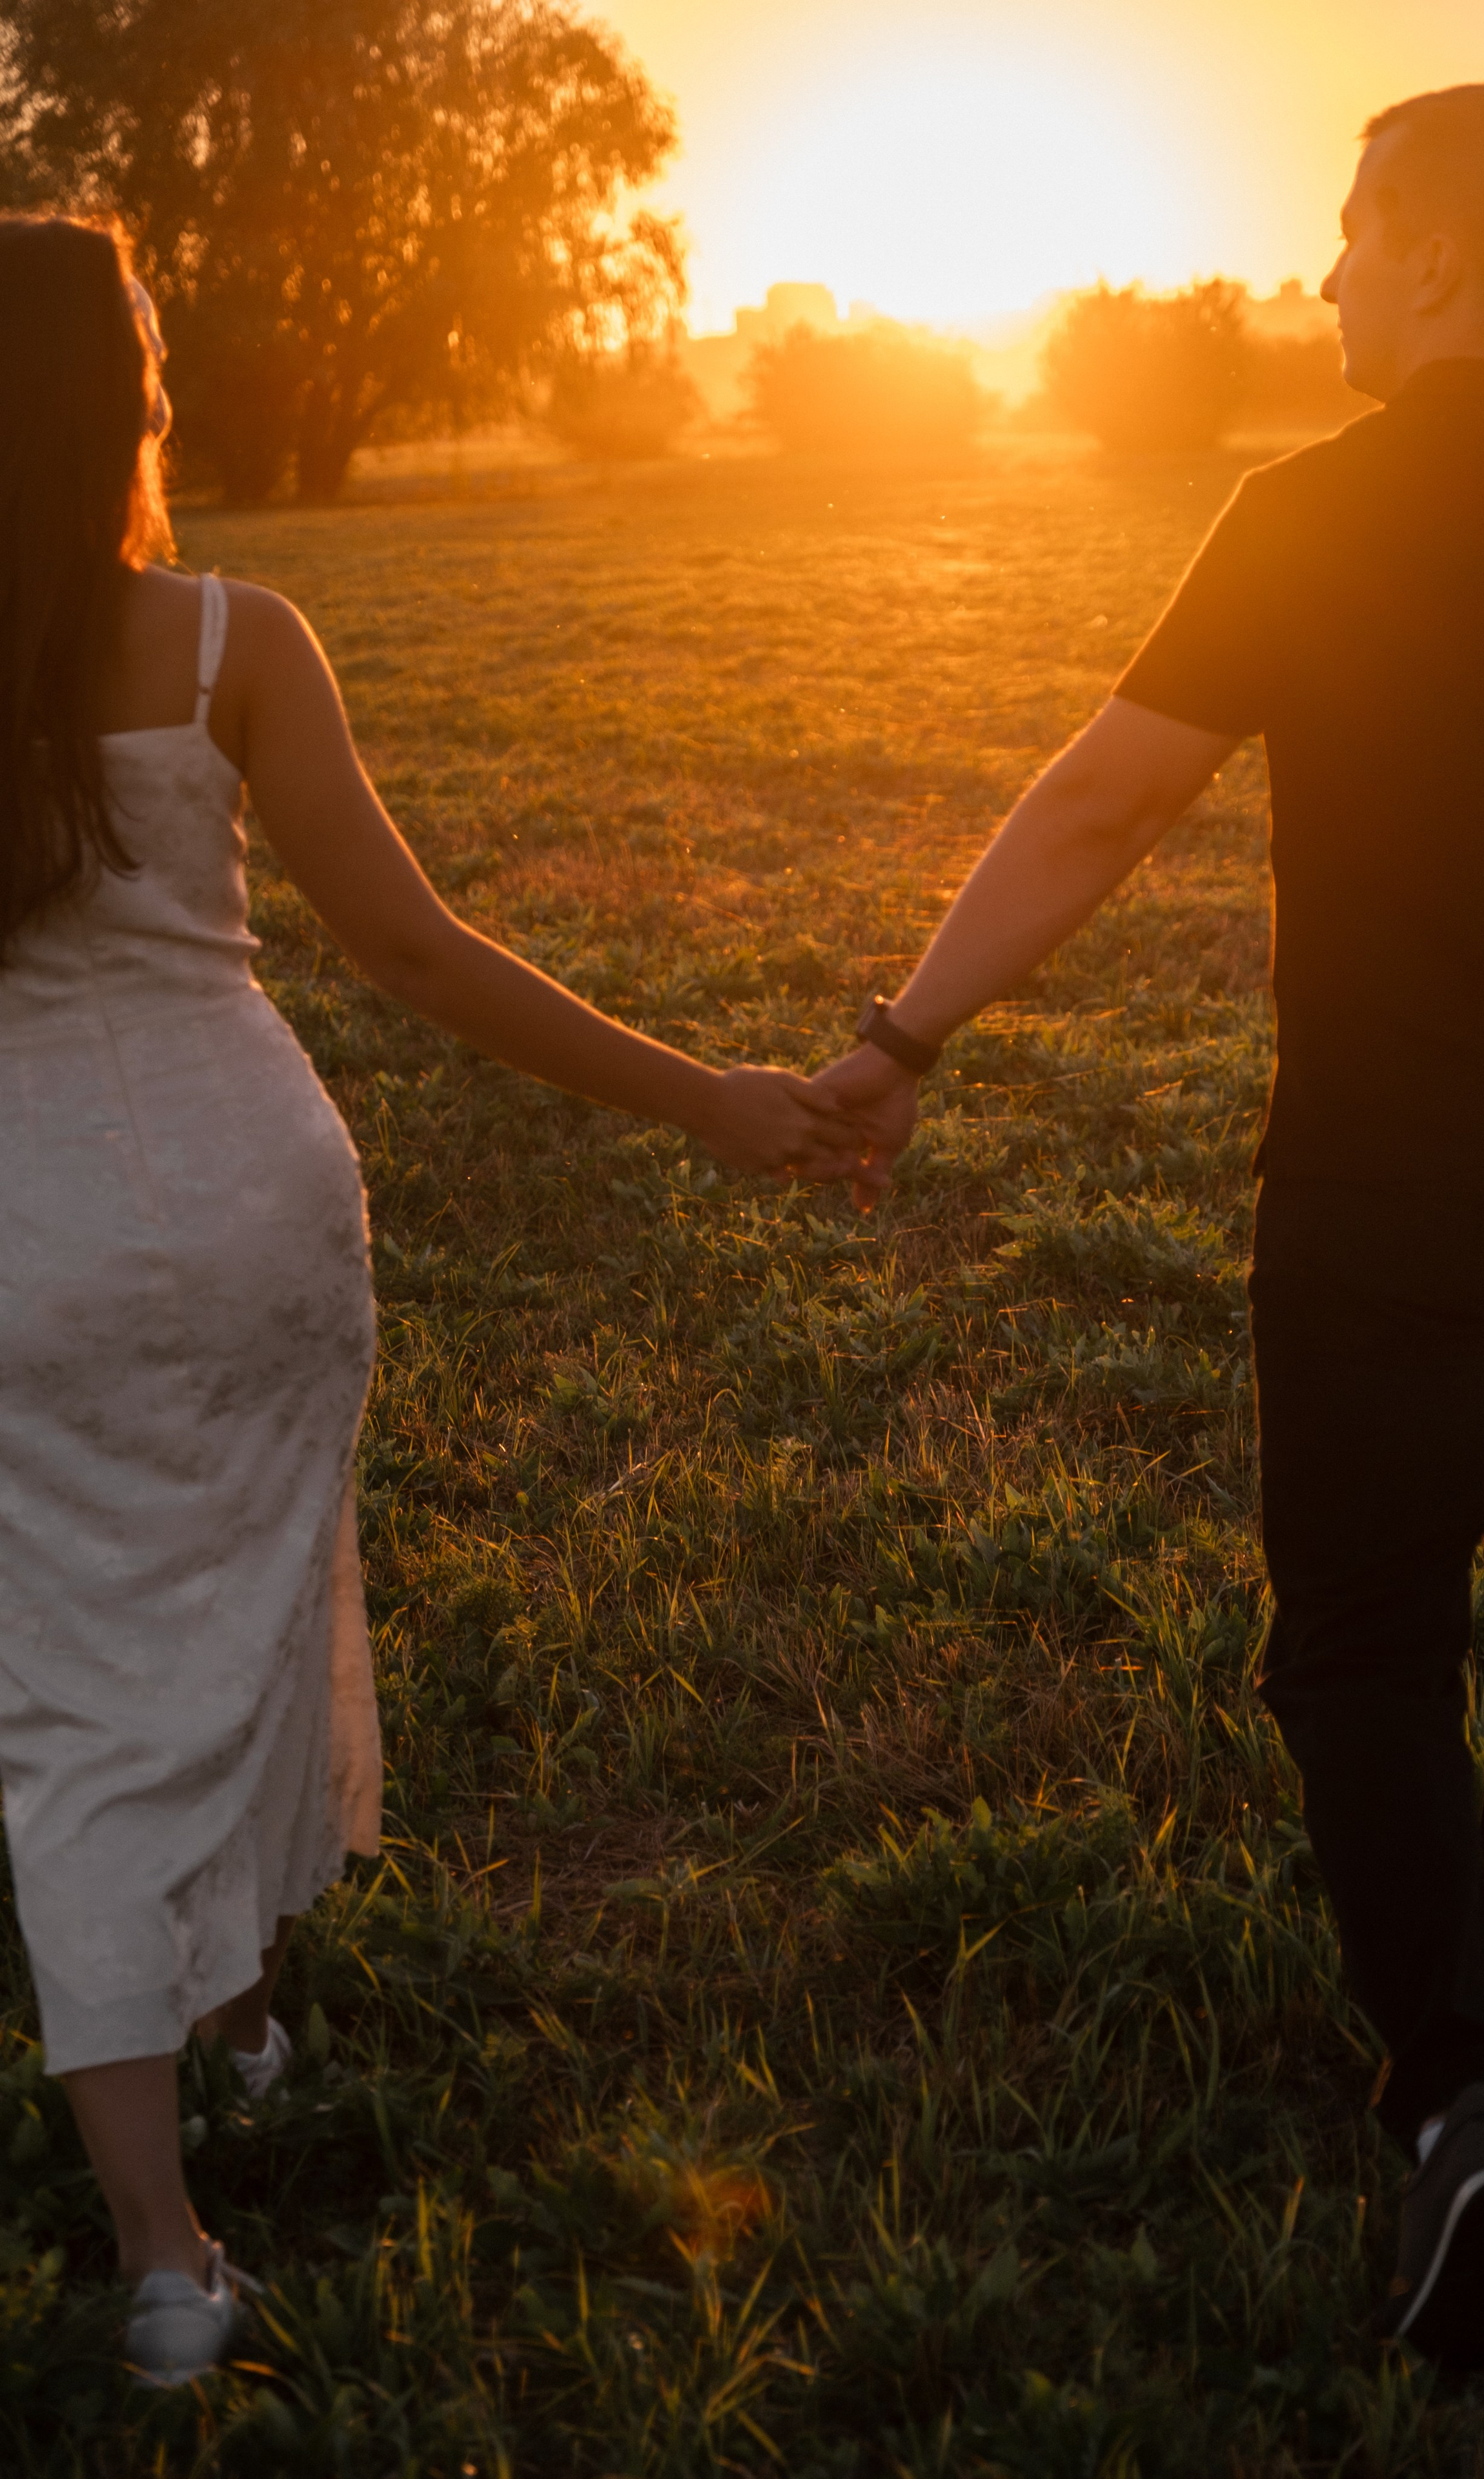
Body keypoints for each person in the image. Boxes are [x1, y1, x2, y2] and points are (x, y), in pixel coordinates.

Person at [814, 83, 1484, 2367]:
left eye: (1354, 232)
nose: (1325, 272)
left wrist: (901, 1037)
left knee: (1364, 1638)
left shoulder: (1313, 510)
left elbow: (1109, 801)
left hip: (1390, 1169)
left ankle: (1465, 2095)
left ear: (1451, 260)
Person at [0, 212, 860, 2387]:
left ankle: (165, 2259)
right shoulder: (232, 638)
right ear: (136, 403)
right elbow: (412, 952)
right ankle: (232, 2012)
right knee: (258, 1594)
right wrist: (708, 1100)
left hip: (28, 1241)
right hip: (260, 1196)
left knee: (80, 1701)